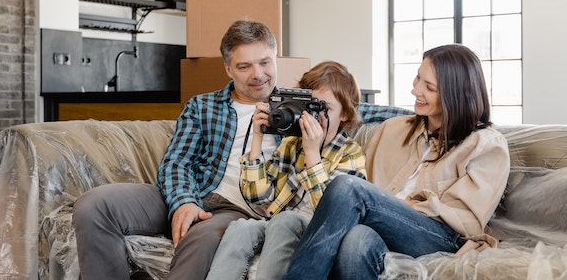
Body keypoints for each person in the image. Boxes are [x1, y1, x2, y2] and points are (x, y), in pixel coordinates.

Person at [72, 19, 412, 280]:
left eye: (265, 62)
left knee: (202, 238)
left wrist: (427, 113)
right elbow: (176, 161)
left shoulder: (297, 104)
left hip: (241, 207)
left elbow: (347, 108)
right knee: (94, 206)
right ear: (227, 68)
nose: (258, 75)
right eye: (244, 66)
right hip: (194, 192)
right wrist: (183, 201)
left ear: (275, 58)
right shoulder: (202, 106)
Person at [282, 44, 511, 280]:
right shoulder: (392, 129)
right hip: (380, 227)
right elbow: (363, 188)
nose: (416, 91)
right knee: (357, 240)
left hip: (440, 238)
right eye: (417, 78)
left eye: (429, 87)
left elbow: (468, 221)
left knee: (346, 186)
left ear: (455, 95)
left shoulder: (485, 144)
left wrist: (410, 206)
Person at [206, 61, 368, 280]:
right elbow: (258, 197)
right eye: (310, 107)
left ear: (345, 114)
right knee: (240, 228)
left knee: (286, 220)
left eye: (324, 109)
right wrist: (257, 136)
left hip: (318, 234)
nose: (314, 118)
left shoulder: (350, 155)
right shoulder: (291, 146)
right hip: (277, 225)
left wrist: (312, 154)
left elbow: (332, 215)